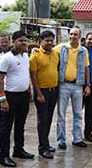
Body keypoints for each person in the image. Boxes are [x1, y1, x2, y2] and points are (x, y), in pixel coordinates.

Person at [0, 31, 34, 167]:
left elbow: (25, 75)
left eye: (25, 40)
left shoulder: (25, 56)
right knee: (6, 127)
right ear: (14, 42)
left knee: (20, 124)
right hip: (10, 96)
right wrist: (2, 99)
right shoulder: (6, 58)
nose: (24, 43)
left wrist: (28, 91)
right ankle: (3, 156)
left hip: (23, 96)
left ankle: (18, 150)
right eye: (20, 40)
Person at [55, 26, 91, 150]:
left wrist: (87, 85)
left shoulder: (84, 51)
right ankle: (61, 140)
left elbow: (87, 68)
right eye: (71, 34)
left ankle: (77, 139)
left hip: (78, 86)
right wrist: (35, 50)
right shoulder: (61, 48)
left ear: (79, 37)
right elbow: (48, 49)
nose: (72, 36)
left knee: (78, 113)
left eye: (75, 34)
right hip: (63, 84)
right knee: (61, 114)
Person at [29, 30, 59, 159]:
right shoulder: (34, 56)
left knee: (49, 118)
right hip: (42, 91)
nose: (50, 42)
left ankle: (46, 143)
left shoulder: (55, 54)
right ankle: (42, 148)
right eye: (47, 40)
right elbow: (33, 77)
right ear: (40, 41)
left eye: (52, 40)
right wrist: (39, 94)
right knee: (42, 120)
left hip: (54, 90)